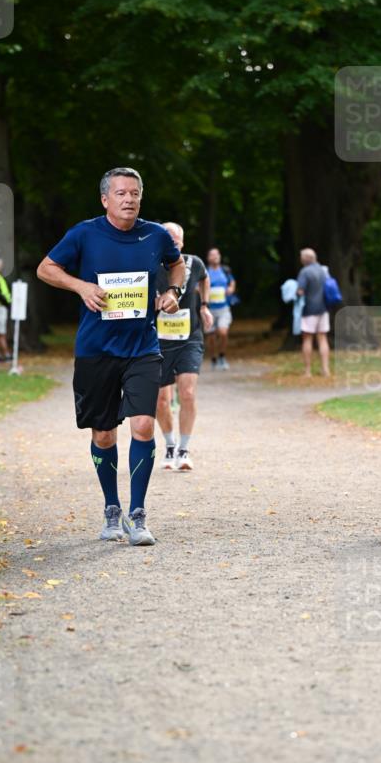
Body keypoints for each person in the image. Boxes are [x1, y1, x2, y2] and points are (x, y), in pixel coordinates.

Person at [36, 167, 185, 546]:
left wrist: (173, 293)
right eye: (121, 193)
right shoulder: (84, 234)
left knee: (142, 427)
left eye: (135, 193)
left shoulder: (156, 234)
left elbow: (176, 264)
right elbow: (46, 268)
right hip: (96, 350)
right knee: (103, 434)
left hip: (142, 348)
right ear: (105, 199)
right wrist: (80, 286)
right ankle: (111, 508)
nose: (129, 199)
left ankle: (138, 514)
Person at [155, 222, 213, 471]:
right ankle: (169, 445)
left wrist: (204, 305)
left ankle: (184, 449)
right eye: (169, 238)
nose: (173, 242)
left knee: (187, 392)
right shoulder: (150, 263)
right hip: (158, 340)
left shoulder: (193, 262)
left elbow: (205, 278)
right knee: (160, 400)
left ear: (182, 242)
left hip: (189, 336)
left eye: (177, 239)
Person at [297, 248, 330, 377]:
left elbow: (300, 291)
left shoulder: (305, 272)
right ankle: (325, 369)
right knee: (322, 338)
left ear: (305, 259)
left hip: (309, 310)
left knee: (307, 339)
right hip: (323, 309)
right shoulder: (324, 270)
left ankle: (307, 371)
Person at [206, 247, 235, 370]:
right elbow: (197, 286)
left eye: (217, 254)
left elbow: (232, 282)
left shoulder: (225, 270)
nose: (215, 256)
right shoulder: (205, 271)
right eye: (212, 255)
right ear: (208, 258)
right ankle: (213, 358)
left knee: (223, 332)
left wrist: (231, 289)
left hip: (223, 308)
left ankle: (222, 356)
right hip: (209, 310)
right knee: (211, 337)